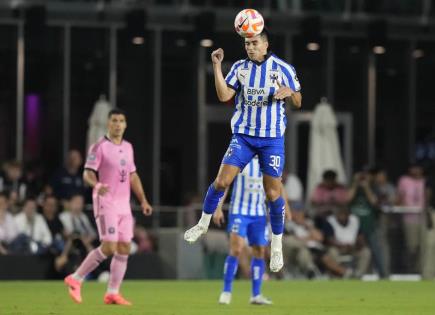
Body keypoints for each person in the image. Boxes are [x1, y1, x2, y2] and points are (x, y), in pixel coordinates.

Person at [184, 29, 302, 273]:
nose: (250, 47)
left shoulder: (283, 68)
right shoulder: (240, 68)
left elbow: (300, 100)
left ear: (266, 44)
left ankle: (277, 245)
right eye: (247, 43)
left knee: (273, 192)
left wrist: (291, 93)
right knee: (221, 181)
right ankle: (203, 224)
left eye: (254, 43)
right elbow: (224, 94)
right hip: (244, 137)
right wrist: (216, 66)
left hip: (271, 139)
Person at [64, 108, 153, 306]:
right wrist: (96, 185)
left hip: (124, 205)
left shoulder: (128, 147)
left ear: (125, 124)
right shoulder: (99, 147)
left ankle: (112, 292)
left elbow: (133, 176)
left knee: (125, 247)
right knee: (109, 246)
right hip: (106, 203)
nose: (118, 124)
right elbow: (87, 172)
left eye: (121, 120)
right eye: (114, 120)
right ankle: (76, 279)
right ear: (108, 123)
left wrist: (144, 200)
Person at [213, 157, 285, 305]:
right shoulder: (241, 158)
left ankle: (256, 295)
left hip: (259, 213)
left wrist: (281, 209)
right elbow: (224, 184)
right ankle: (226, 291)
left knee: (260, 251)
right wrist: (218, 207)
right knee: (236, 249)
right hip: (239, 211)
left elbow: (277, 187)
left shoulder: (268, 159)